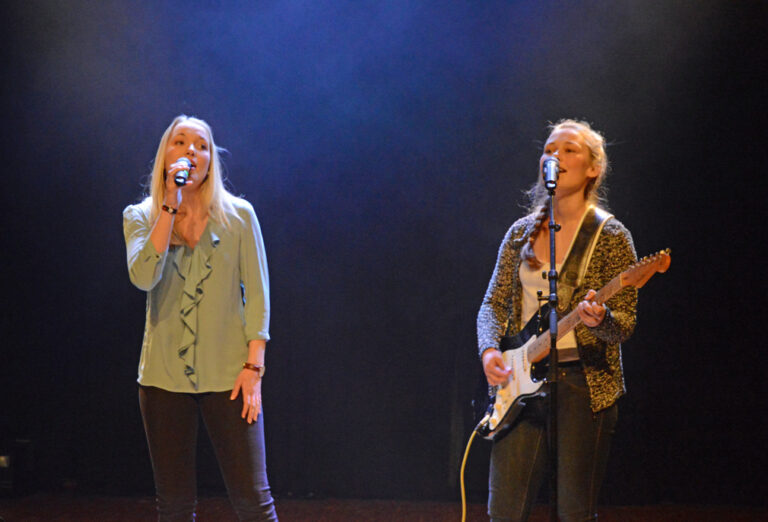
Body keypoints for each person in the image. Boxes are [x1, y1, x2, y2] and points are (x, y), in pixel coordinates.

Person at [476, 119, 638, 521]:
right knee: (505, 512)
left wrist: (599, 319)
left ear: (593, 168)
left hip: (583, 384)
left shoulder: (611, 235)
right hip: (520, 384)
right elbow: (493, 303)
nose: (555, 156)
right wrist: (489, 350)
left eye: (569, 150)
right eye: (549, 149)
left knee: (574, 513)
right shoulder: (520, 233)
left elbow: (624, 323)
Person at [123, 115, 278, 521]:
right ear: (165, 156)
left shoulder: (239, 216)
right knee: (174, 505)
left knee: (254, 501)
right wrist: (169, 207)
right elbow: (143, 277)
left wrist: (253, 368)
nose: (191, 150)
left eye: (202, 145)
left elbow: (258, 294)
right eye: (180, 142)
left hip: (231, 375)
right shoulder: (139, 216)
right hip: (162, 379)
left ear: (211, 161)